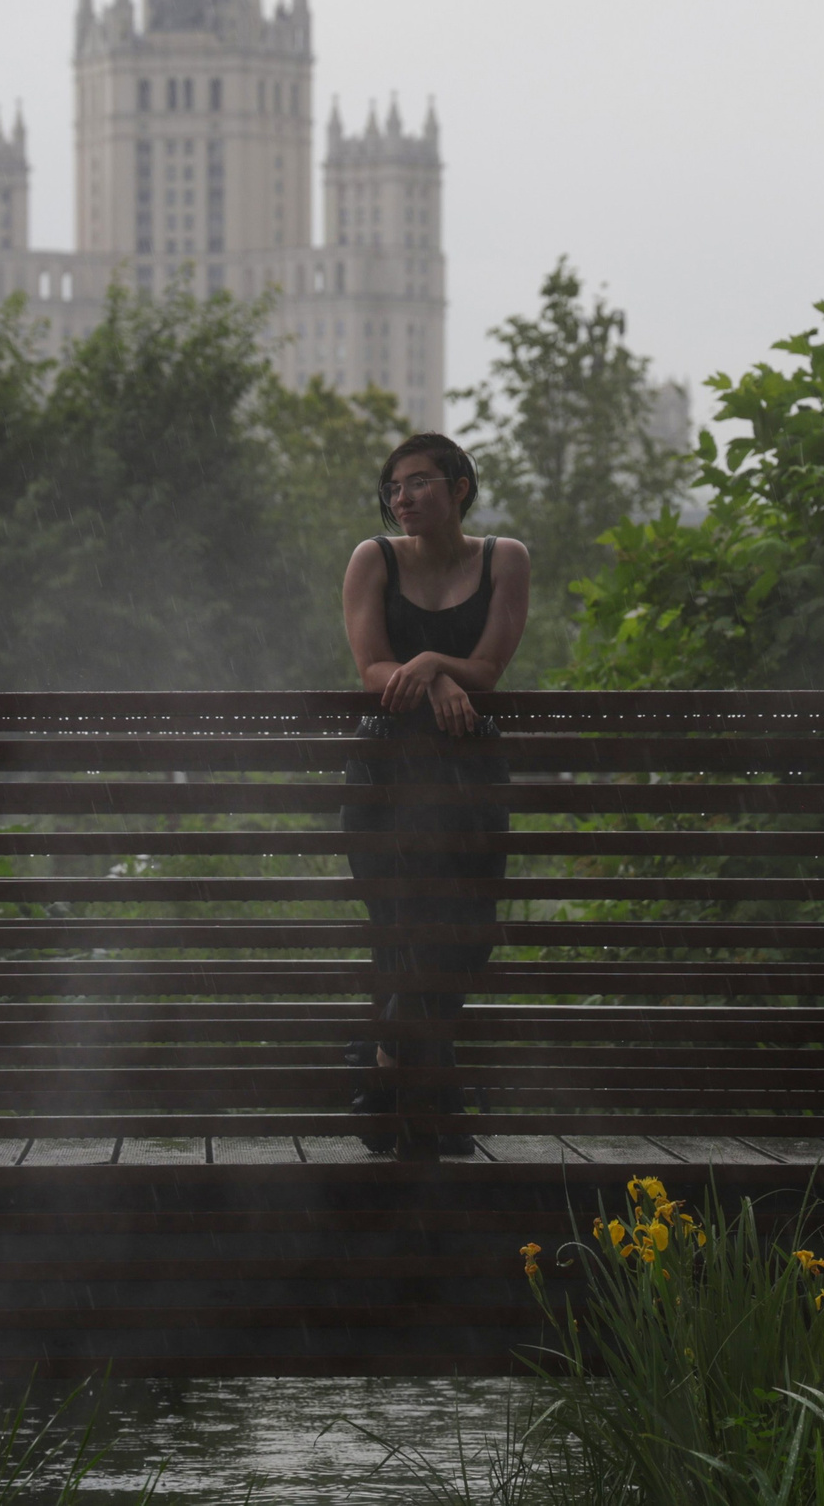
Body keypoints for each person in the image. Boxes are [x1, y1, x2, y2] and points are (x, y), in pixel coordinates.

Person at [339, 433, 531, 1158]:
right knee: (407, 932)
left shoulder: (504, 558)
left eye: (418, 482)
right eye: (394, 487)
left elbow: (490, 666)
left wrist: (429, 661)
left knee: (465, 934)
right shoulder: (374, 558)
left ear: (459, 488)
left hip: (467, 777)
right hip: (387, 775)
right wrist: (438, 676)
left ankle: (385, 1068)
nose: (402, 498)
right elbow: (371, 671)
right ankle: (433, 1098)